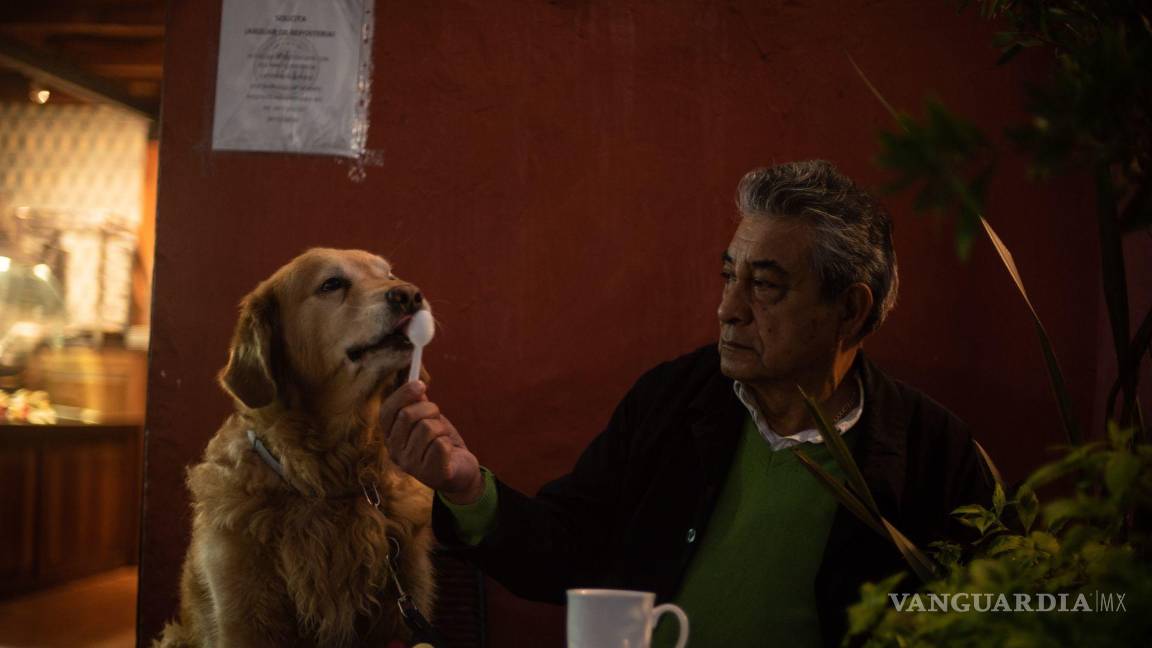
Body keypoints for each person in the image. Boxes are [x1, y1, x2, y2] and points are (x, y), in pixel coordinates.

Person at [379, 160, 994, 647]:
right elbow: (568, 549)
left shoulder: (931, 452)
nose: (729, 308)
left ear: (851, 309)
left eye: (765, 286)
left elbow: (994, 613)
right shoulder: (675, 400)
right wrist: (466, 488)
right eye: (729, 276)